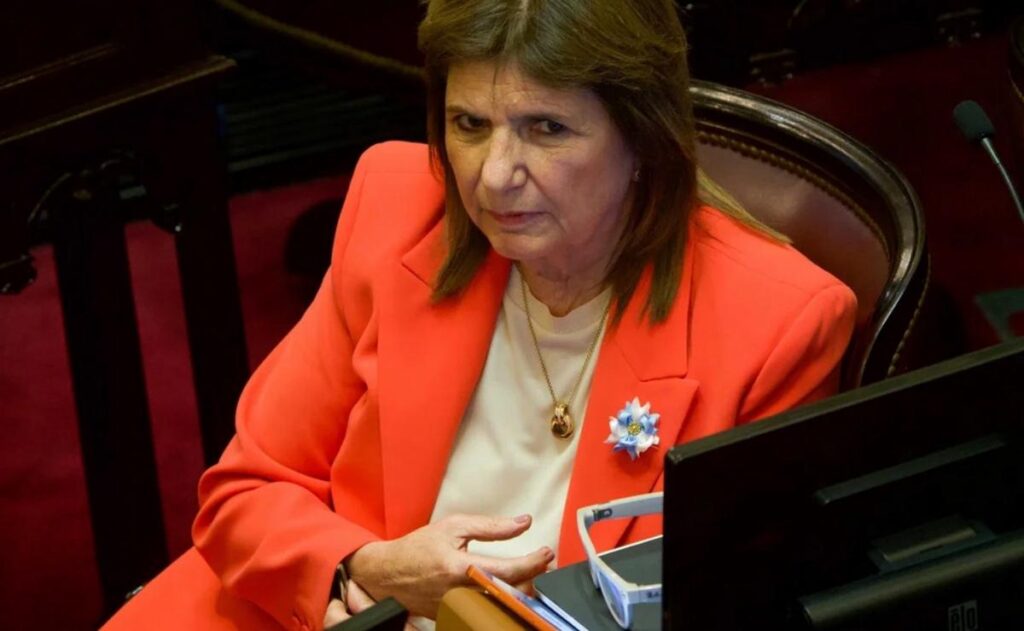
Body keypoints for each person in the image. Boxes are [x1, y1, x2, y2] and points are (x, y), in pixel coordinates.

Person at [104, 0, 856, 629]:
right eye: (469, 124)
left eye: (547, 128)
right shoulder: (397, 207)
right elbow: (246, 490)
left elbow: (725, 606)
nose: (494, 176)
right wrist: (357, 566)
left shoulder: (779, 324)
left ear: (644, 140)